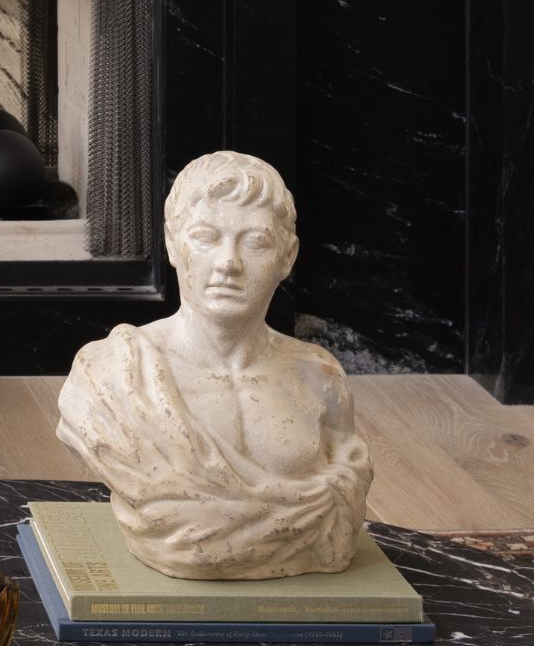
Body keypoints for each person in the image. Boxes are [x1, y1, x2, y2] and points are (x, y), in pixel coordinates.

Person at [56, 151, 373, 578]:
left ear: (288, 257)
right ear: (172, 243)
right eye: (206, 237)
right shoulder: (110, 374)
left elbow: (344, 495)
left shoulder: (319, 377)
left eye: (256, 242)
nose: (228, 263)